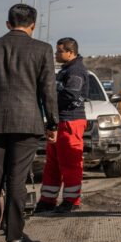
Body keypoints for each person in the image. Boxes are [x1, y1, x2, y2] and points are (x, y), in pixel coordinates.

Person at [0, 4, 58, 242]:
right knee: (16, 179)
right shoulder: (42, 49)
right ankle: (14, 237)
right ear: (32, 25)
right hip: (26, 123)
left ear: (8, 23)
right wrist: (52, 123)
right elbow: (48, 90)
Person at [37, 38, 89, 213]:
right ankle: (47, 200)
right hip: (60, 121)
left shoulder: (76, 71)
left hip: (70, 121)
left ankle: (71, 200)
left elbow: (71, 95)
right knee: (52, 163)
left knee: (70, 163)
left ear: (70, 52)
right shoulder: (66, 70)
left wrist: (49, 102)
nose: (56, 54)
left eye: (59, 51)